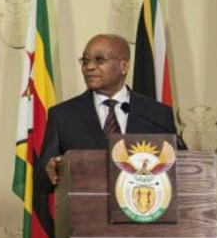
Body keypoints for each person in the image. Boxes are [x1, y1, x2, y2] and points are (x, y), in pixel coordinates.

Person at [34, 33, 182, 225]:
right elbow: (42, 179)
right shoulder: (63, 115)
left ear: (124, 66)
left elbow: (178, 169)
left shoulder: (157, 115)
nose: (89, 67)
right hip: (86, 227)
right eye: (84, 61)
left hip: (147, 227)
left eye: (99, 60)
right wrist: (50, 168)